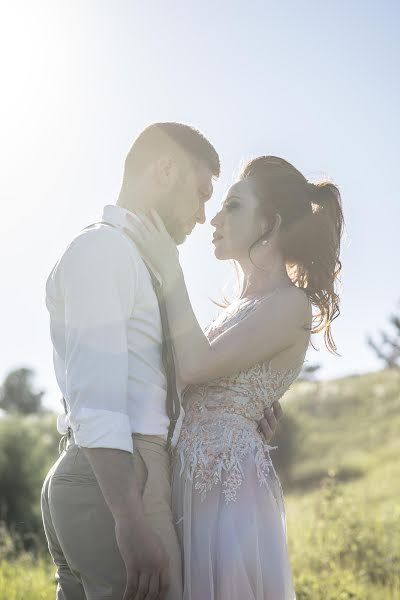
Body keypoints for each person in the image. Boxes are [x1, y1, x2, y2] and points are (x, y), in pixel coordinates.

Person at [40, 123, 283, 600]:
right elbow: (100, 400)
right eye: (199, 193)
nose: (201, 215)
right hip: (120, 478)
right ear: (164, 169)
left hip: (113, 474)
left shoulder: (130, 258)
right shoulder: (102, 249)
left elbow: (145, 383)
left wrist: (236, 411)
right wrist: (129, 521)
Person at [125, 155, 344, 599]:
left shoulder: (291, 303)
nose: (214, 220)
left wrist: (170, 269)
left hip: (229, 490)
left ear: (271, 223)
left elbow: (193, 366)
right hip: (188, 480)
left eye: (233, 207)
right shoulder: (232, 312)